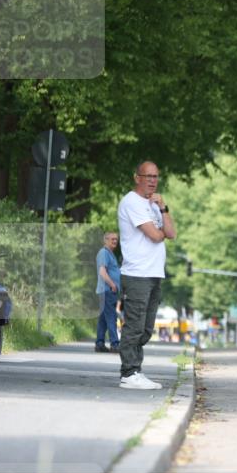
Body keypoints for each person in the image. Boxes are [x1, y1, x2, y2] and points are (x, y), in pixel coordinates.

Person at [117, 161, 177, 389]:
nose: (152, 180)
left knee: (146, 328)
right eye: (148, 176)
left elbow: (170, 233)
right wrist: (159, 230)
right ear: (137, 177)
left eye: (156, 176)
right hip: (137, 274)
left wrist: (163, 208)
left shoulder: (154, 205)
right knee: (134, 325)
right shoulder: (131, 202)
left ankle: (134, 370)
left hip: (154, 273)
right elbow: (154, 235)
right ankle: (129, 373)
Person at [94, 231, 121, 353]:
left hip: (108, 291)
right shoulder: (104, 253)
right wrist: (112, 285)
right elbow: (102, 272)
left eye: (116, 239)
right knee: (111, 317)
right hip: (107, 290)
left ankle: (99, 343)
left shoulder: (110, 254)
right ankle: (115, 344)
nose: (115, 241)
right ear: (105, 240)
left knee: (103, 319)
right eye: (112, 239)